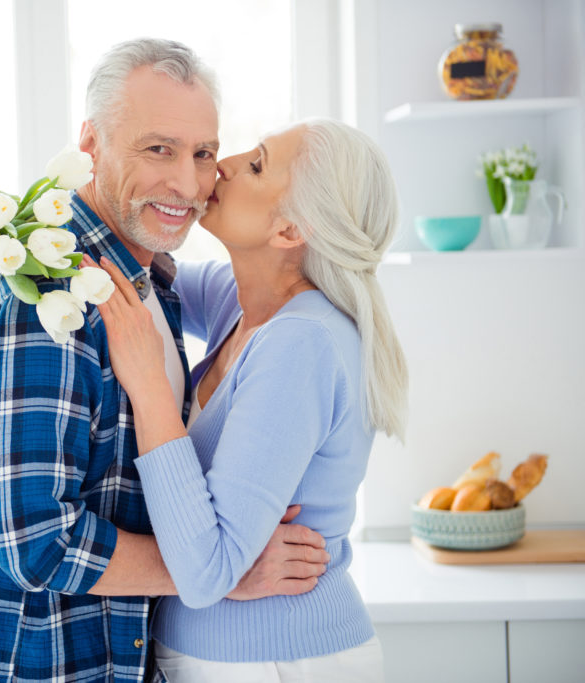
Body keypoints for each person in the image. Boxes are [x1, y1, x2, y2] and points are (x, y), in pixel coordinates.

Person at [0, 39, 330, 683]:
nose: (187, 184)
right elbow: (37, 542)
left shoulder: (145, 281)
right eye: (158, 148)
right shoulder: (51, 297)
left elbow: (278, 276)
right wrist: (219, 571)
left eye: (204, 153)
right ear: (90, 145)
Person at [92, 118, 409, 682]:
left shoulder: (300, 343)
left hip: (281, 663)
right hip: (234, 660)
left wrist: (149, 389)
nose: (225, 164)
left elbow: (207, 569)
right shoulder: (238, 306)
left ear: (289, 230)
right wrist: (23, 249)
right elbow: (126, 269)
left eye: (257, 165)